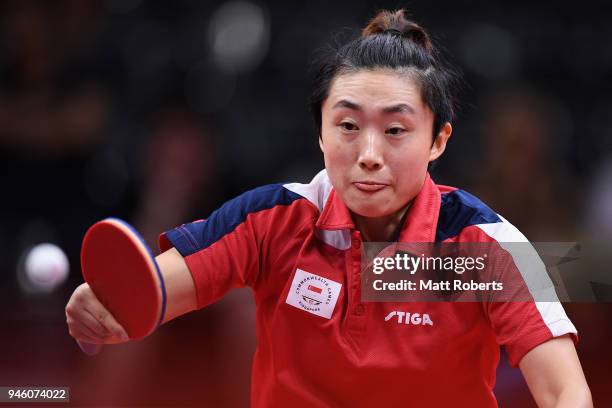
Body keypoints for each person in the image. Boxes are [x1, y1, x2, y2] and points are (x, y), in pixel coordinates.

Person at [65, 9, 592, 407]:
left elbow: (565, 390)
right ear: (319, 132)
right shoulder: (270, 219)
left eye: (395, 130)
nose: (368, 155)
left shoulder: (486, 250)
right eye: (346, 125)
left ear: (438, 141)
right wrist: (110, 306)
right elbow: (154, 292)